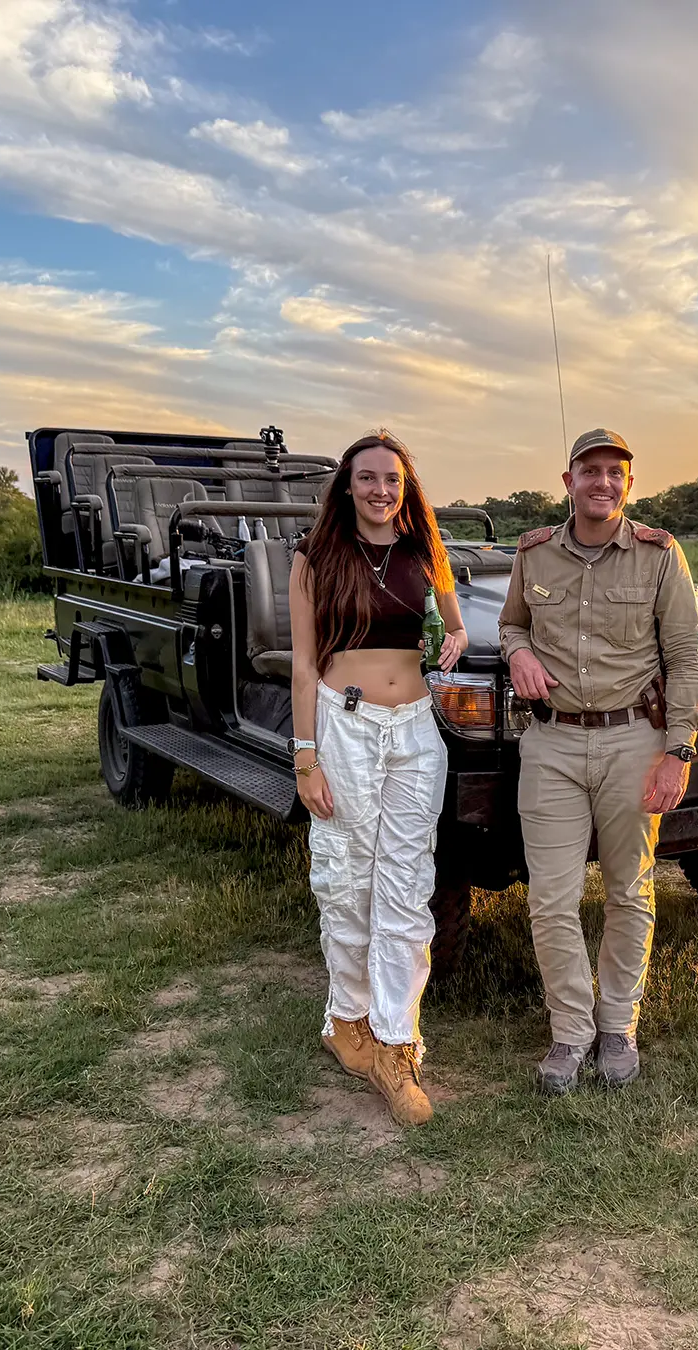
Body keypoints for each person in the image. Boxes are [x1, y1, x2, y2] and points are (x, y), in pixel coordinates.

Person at [498, 428, 698, 1094]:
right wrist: (518, 654)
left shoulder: (659, 554)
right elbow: (511, 625)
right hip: (552, 744)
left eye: (616, 473)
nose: (603, 483)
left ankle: (618, 1025)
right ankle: (570, 1034)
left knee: (629, 890)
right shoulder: (534, 554)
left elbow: (687, 659)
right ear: (568, 481)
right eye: (591, 471)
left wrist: (678, 751)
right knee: (551, 900)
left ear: (629, 484)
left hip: (632, 743)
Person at [289, 430, 468, 1126]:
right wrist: (305, 756)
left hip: (417, 733)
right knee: (347, 876)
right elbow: (304, 666)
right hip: (344, 723)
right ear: (346, 486)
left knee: (405, 882)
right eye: (366, 479)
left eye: (391, 480)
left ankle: (398, 1041)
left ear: (406, 487)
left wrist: (452, 640)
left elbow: (453, 629)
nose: (380, 491)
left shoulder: (428, 550)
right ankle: (346, 1021)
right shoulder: (316, 558)